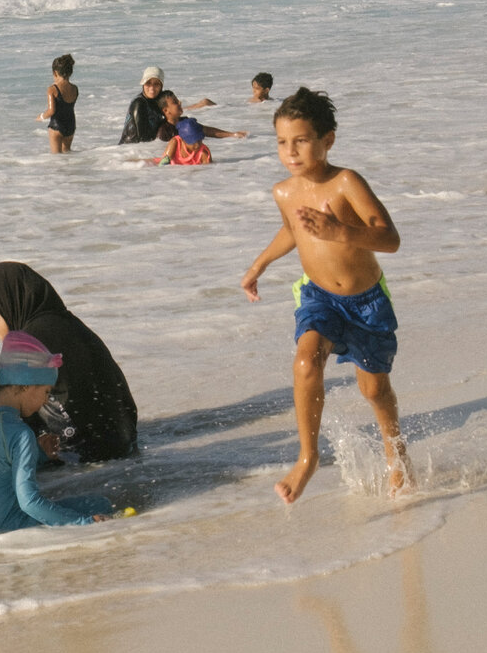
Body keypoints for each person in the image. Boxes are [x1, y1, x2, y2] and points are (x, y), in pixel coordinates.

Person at [240, 87, 406, 505]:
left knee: (374, 391)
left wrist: (340, 232)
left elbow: (390, 239)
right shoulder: (284, 192)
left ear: (327, 140)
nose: (290, 151)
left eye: (300, 140)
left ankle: (396, 452)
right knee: (305, 359)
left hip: (366, 302)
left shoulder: (346, 182)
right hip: (318, 297)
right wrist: (259, 265)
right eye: (282, 142)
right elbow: (291, 231)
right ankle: (308, 456)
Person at [0, 261, 137, 461]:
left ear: (4, 303)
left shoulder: (32, 341)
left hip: (79, 464)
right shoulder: (71, 326)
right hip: (124, 449)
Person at [0, 333, 113, 532]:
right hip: (12, 530)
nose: (45, 401)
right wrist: (85, 523)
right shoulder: (21, 433)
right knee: (98, 505)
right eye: (46, 392)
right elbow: (29, 503)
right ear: (26, 386)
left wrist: (39, 453)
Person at [156, 92, 247, 145]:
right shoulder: (163, 130)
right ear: (166, 110)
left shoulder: (185, 122)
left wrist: (232, 134)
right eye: (175, 102)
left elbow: (206, 130)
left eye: (178, 99)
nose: (180, 102)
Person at [37, 52, 79, 153]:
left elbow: (51, 111)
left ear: (55, 73)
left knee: (56, 159)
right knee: (67, 154)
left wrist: (41, 117)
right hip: (71, 125)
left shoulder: (52, 89)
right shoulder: (75, 88)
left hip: (57, 126)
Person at [119, 68, 169, 144]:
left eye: (156, 84)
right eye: (148, 83)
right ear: (143, 84)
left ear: (161, 86)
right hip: (130, 151)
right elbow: (143, 138)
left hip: (145, 150)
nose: (152, 88)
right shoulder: (139, 104)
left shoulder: (159, 102)